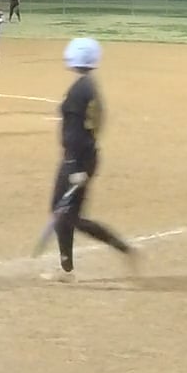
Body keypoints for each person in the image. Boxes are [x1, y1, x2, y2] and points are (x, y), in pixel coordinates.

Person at [45, 37, 136, 282]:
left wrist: (76, 166)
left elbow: (77, 132)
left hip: (77, 160)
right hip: (80, 157)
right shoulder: (87, 85)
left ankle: (119, 249)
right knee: (62, 213)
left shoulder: (80, 90)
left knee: (66, 215)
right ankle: (68, 268)